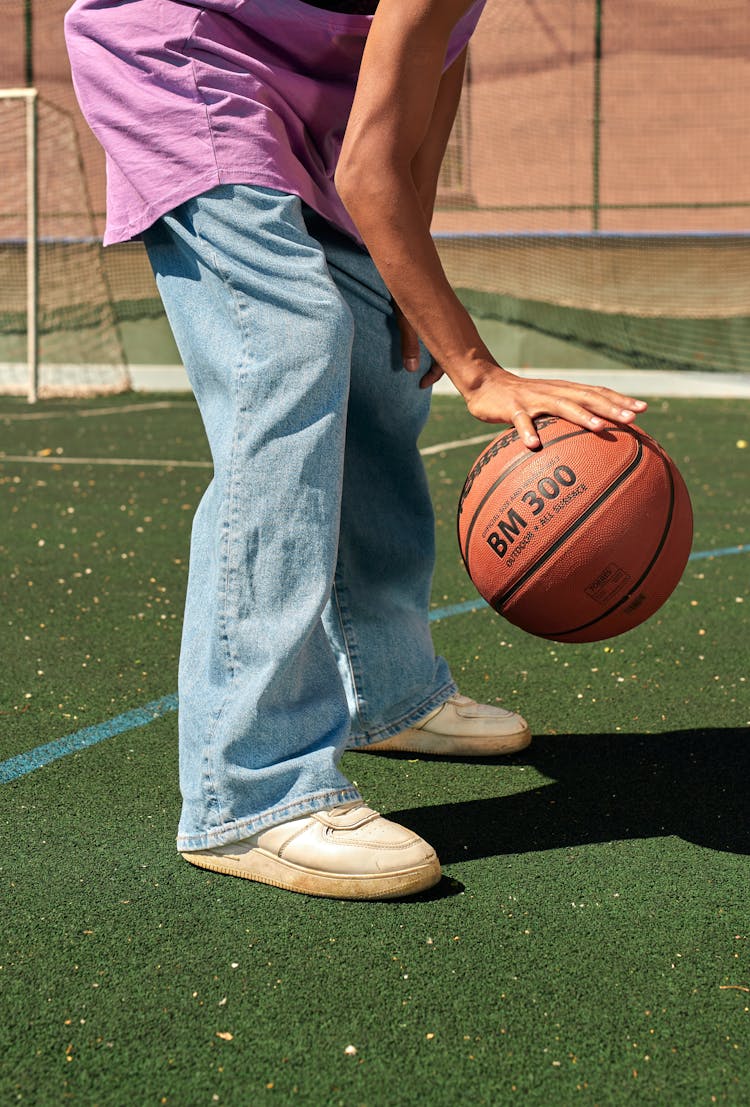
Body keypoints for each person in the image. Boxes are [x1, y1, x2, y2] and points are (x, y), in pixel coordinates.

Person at [64, 0, 646, 900]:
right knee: (290, 345)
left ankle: (387, 688)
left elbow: (411, 147)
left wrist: (410, 291)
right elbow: (372, 171)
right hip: (186, 58)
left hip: (312, 98)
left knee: (378, 341)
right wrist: (479, 370)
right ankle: (250, 789)